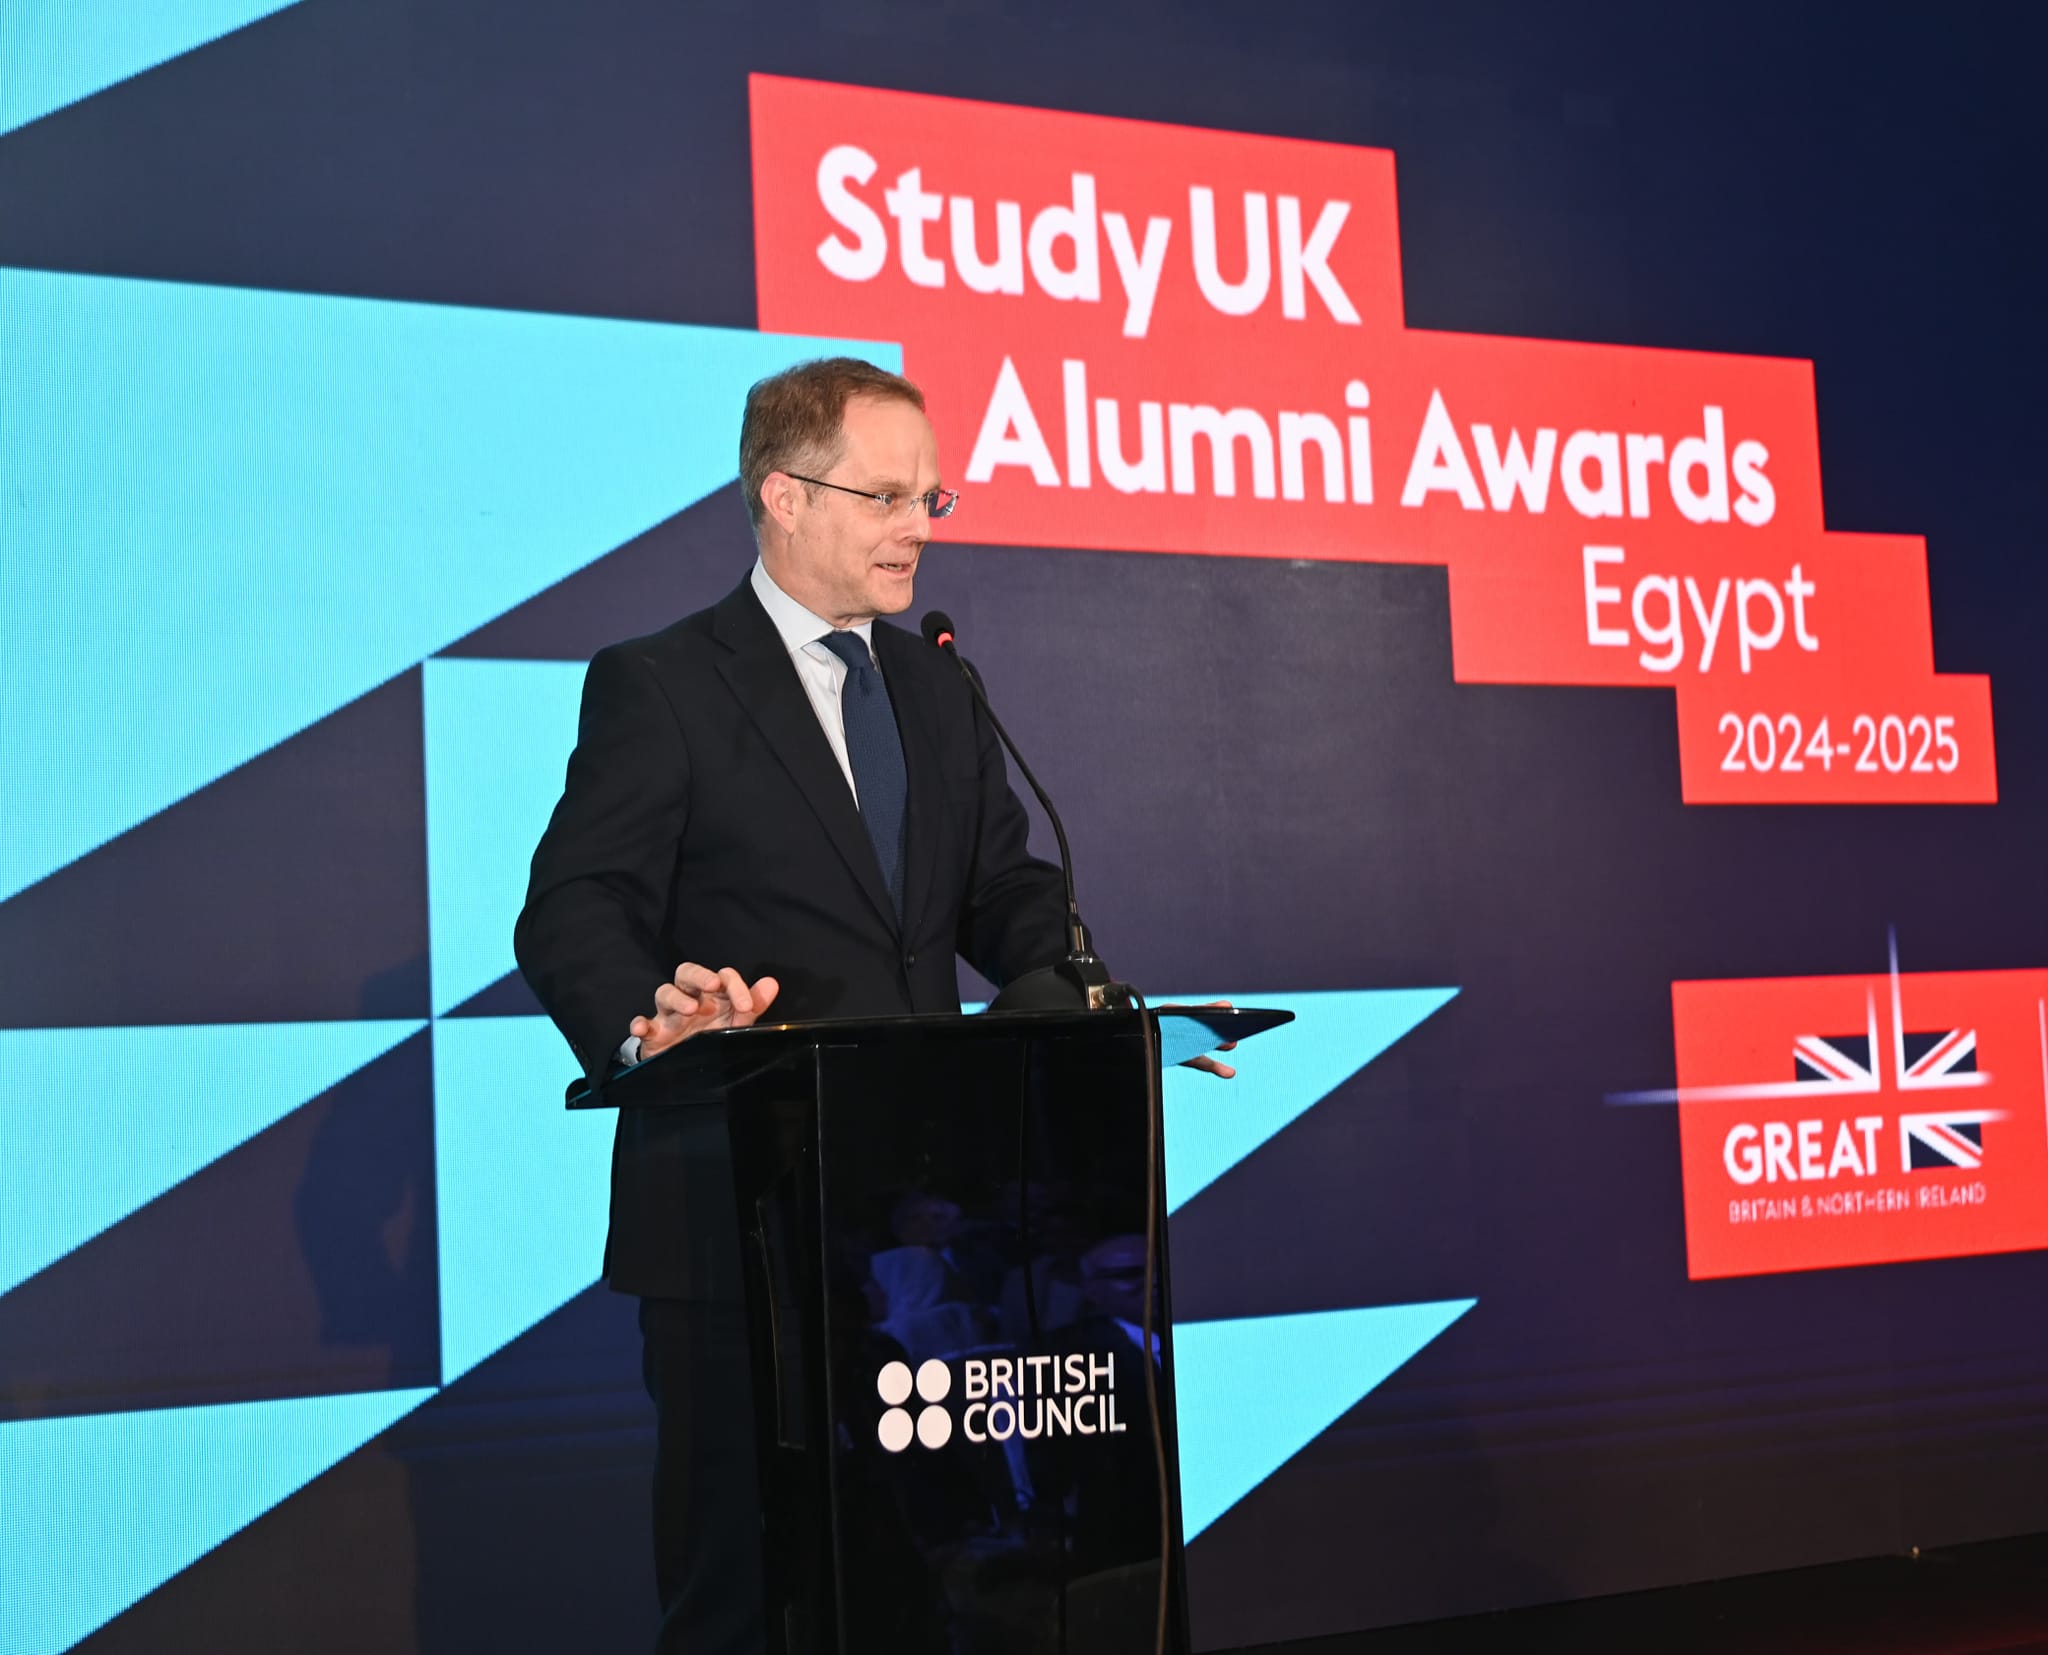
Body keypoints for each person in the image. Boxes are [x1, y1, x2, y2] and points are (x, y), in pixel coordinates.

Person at [514, 357, 1233, 1653]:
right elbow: (574, 905)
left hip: (926, 1230)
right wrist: (647, 1021)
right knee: (748, 1595)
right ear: (784, 496)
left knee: (926, 1588)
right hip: (737, 1219)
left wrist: (1093, 1007)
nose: (919, 525)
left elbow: (1001, 890)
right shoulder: (661, 682)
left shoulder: (937, 685)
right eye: (887, 496)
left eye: (930, 497)